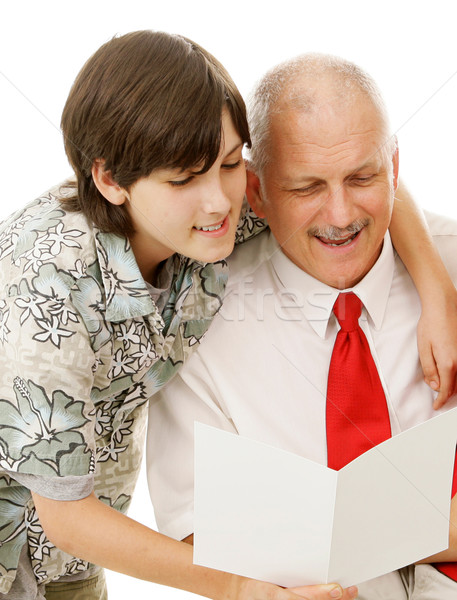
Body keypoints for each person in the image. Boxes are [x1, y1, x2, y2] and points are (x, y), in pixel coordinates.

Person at [0, 31, 366, 600]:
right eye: (183, 179)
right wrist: (247, 590)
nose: (220, 198)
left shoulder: (205, 220)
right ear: (109, 180)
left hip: (69, 564)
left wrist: (440, 294)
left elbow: (361, 180)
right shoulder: (47, 286)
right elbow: (65, 514)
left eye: (227, 163)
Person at [147, 53, 457, 600]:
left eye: (361, 177)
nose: (340, 216)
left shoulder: (448, 270)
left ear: (394, 169)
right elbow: (197, 524)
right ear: (257, 192)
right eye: (307, 188)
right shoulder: (197, 323)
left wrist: (325, 531)